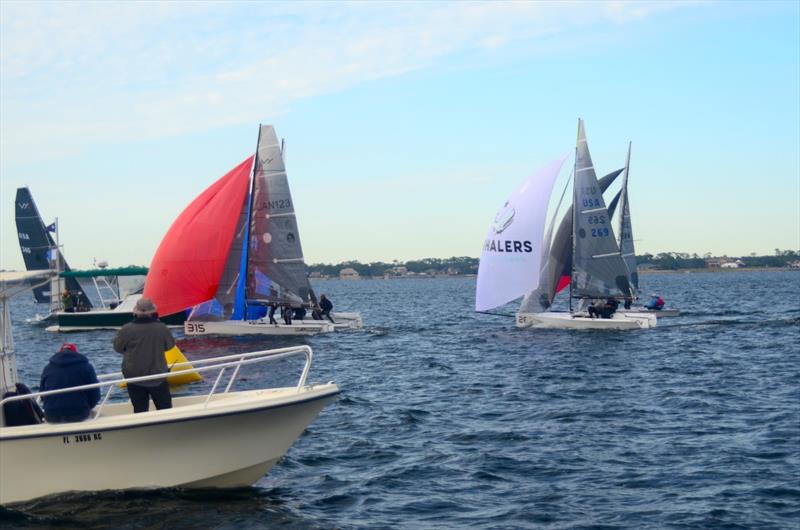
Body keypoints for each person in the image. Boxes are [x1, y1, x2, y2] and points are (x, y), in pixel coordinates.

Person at [113, 298, 174, 413]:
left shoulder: (126, 329)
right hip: (158, 375)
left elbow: (118, 348)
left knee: (140, 410)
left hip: (134, 376)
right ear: (152, 311)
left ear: (136, 312)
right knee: (165, 410)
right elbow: (169, 346)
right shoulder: (161, 328)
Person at [39, 343, 100, 423]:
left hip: (52, 415)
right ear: (75, 353)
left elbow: (42, 395)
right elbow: (95, 395)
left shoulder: (47, 368)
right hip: (78, 413)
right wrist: (87, 406)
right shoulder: (86, 366)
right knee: (97, 415)